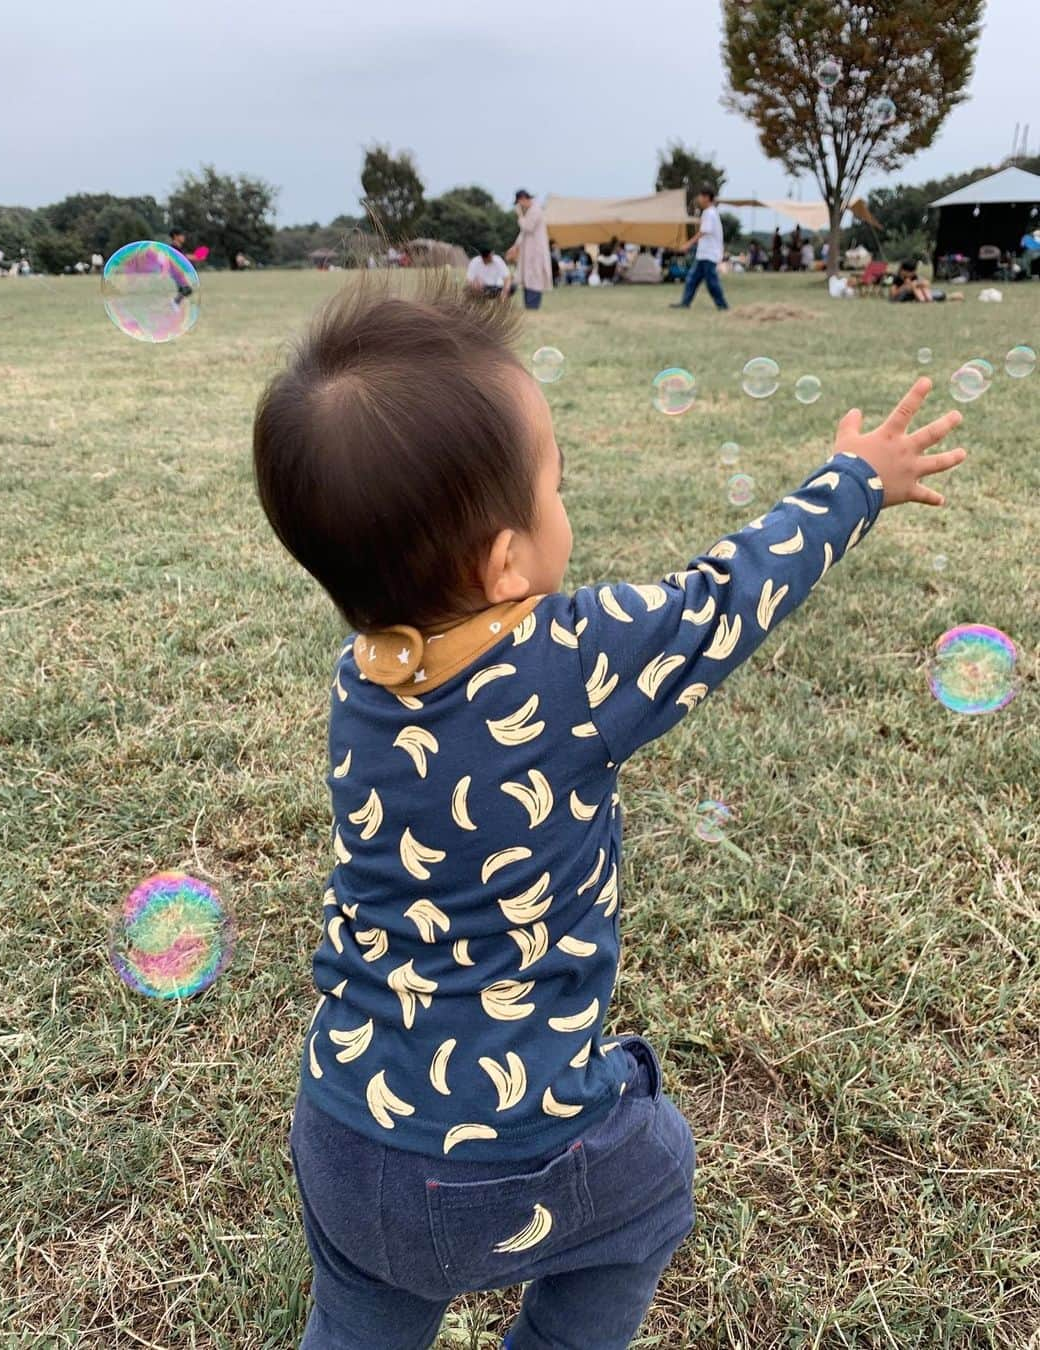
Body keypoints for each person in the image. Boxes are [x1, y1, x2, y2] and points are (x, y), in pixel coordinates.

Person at [251, 272, 966, 1350]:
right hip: (508, 1153)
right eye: (558, 486)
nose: (565, 508)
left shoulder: (361, 679)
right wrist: (854, 482)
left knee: (363, 1318)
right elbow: (725, 598)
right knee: (656, 1179)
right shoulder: (570, 662)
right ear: (505, 563)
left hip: (344, 1133)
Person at [669, 184, 728, 311]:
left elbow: (703, 231)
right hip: (703, 254)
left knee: (712, 282)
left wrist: (688, 244)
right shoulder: (710, 213)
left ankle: (722, 305)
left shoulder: (709, 213)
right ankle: (685, 302)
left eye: (700, 196)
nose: (698, 199)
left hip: (709, 254)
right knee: (692, 279)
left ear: (707, 198)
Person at [506, 189, 552, 310]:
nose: (519, 206)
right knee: (527, 277)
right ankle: (529, 305)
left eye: (519, 203)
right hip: (528, 252)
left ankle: (533, 305)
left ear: (523, 199)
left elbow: (528, 227)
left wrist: (520, 215)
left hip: (536, 252)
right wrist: (515, 246)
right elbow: (523, 234)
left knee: (535, 277)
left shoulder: (536, 210)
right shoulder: (530, 212)